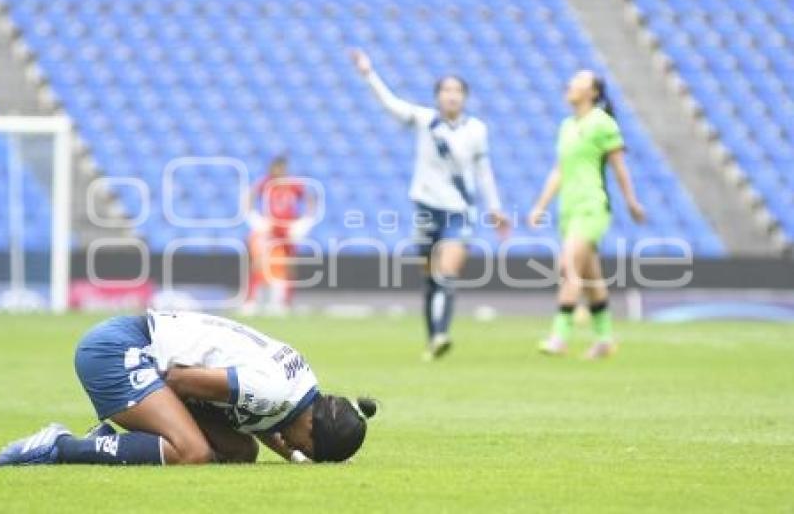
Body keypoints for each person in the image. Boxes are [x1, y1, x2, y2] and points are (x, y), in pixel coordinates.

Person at [0, 311, 376, 466]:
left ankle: (106, 438)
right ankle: (60, 446)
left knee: (239, 450)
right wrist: (174, 421)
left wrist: (294, 458)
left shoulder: (301, 387)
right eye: (304, 447)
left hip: (140, 345)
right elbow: (178, 379)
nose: (294, 448)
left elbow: (265, 423)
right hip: (118, 350)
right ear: (310, 428)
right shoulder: (274, 391)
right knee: (191, 451)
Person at [351, 49, 509, 360]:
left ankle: (441, 334)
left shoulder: (476, 130)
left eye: (457, 91)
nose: (452, 96)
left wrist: (495, 207)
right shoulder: (425, 121)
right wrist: (369, 74)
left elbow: (483, 170)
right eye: (446, 90)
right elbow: (391, 104)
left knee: (446, 272)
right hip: (426, 209)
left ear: (465, 97)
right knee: (428, 277)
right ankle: (432, 337)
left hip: (459, 211)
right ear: (437, 96)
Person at [528, 70, 646, 359]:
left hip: (592, 206)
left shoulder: (603, 124)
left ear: (593, 92)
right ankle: (605, 340)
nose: (570, 84)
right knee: (590, 276)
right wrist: (541, 205)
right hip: (568, 209)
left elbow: (618, 166)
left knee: (568, 267)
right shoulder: (567, 126)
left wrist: (631, 202)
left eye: (579, 81)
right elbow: (560, 170)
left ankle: (560, 336)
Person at [243, 156, 315, 315]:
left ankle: (284, 301)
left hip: (287, 229)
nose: (279, 171)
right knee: (260, 263)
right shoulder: (265, 183)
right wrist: (254, 218)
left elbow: (310, 199)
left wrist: (305, 221)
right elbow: (250, 196)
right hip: (271, 228)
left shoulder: (293, 184)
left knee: (288, 265)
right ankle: (252, 299)